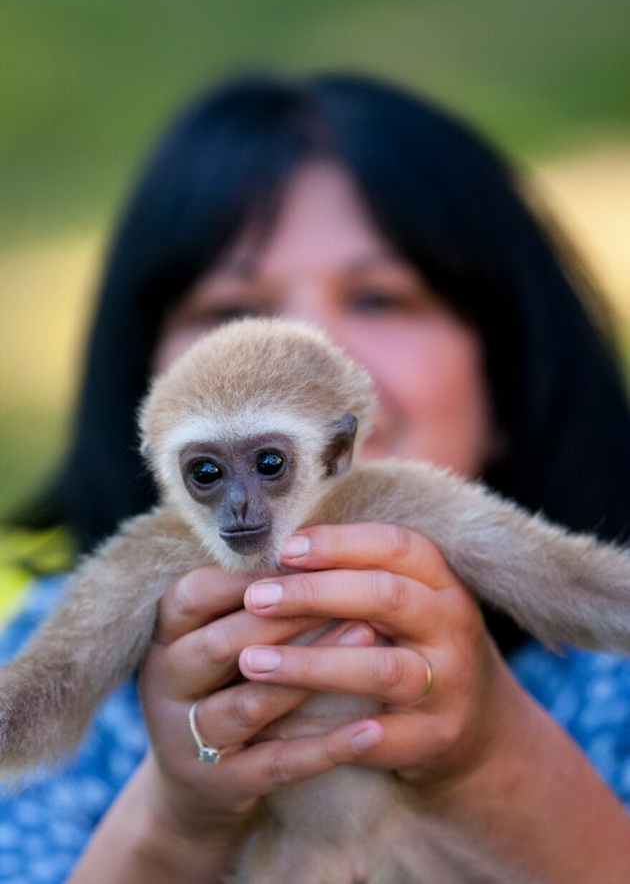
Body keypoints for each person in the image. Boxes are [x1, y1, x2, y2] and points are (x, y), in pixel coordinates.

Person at [2, 72, 630, 883]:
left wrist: (489, 759)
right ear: (155, 461)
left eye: (379, 297)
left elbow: (582, 589)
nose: (240, 508)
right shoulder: (154, 562)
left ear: (337, 453)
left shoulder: (409, 508)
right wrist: (177, 814)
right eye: (206, 475)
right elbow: (36, 708)